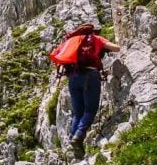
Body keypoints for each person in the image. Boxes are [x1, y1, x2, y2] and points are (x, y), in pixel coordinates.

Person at [50, 24, 120, 158]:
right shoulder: (95, 39)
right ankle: (78, 136)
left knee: (78, 112)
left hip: (73, 78)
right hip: (90, 76)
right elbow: (116, 48)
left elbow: (56, 55)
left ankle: (73, 139)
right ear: (93, 31)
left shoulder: (71, 42)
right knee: (90, 110)